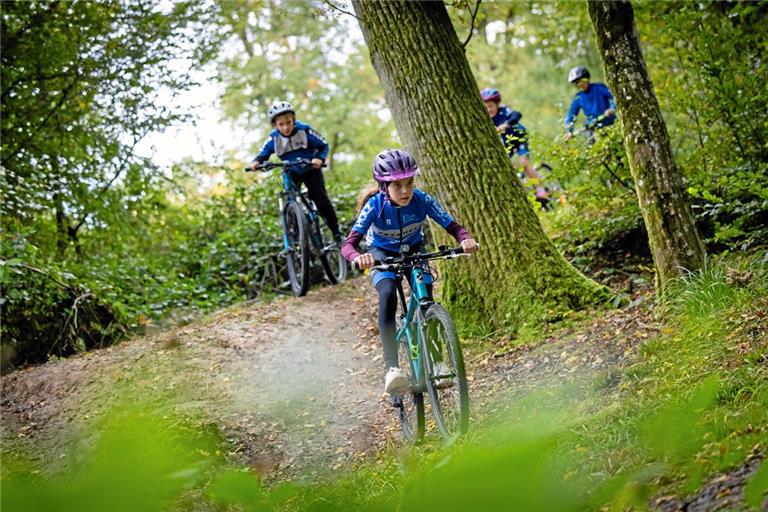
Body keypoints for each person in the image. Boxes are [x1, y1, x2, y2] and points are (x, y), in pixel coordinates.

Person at [340, 149, 478, 396]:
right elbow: (348, 245)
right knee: (388, 295)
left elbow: (452, 226)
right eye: (397, 186)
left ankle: (436, 361)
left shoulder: (421, 200)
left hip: (415, 250)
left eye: (409, 183)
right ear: (384, 186)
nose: (405, 191)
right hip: (382, 254)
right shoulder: (375, 206)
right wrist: (359, 257)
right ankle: (392, 369)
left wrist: (465, 239)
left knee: (426, 297)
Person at [250, 100, 342, 241]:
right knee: (290, 199)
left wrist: (319, 158)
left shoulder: (304, 130)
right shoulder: (273, 138)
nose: (286, 127)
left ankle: (336, 233)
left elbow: (324, 145)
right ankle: (299, 237)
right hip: (290, 170)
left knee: (320, 199)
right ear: (275, 125)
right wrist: (257, 162)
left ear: (294, 120)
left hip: (310, 168)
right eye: (281, 124)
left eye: (288, 122)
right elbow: (263, 153)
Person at [480, 88, 549, 207]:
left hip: (519, 137)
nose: (489, 109)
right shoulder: (486, 120)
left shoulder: (504, 111)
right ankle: (527, 190)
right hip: (507, 144)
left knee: (524, 163)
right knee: (509, 166)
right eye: (486, 107)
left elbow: (517, 115)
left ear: (496, 104)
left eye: (491, 106)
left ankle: (540, 189)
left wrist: (505, 125)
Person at [563, 66, 616, 142]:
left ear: (586, 80)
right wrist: (569, 131)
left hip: (609, 125)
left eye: (580, 82)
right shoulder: (578, 97)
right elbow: (571, 115)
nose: (579, 85)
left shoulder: (599, 88)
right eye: (576, 84)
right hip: (592, 128)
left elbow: (615, 97)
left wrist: (611, 108)